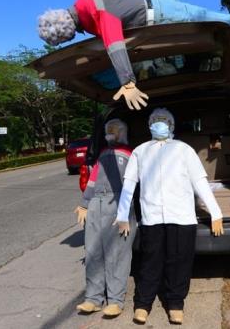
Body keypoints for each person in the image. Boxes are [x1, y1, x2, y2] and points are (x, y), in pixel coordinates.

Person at [37, 0, 230, 110]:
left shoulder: (92, 11)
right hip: (154, 6)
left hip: (158, 14)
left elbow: (114, 43)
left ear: (65, 32)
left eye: (64, 39)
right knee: (204, 32)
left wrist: (128, 82)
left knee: (208, 26)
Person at [114, 108, 224, 324]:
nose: (160, 124)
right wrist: (122, 214)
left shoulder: (184, 150)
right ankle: (143, 304)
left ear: (171, 125)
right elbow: (129, 185)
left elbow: (199, 182)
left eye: (164, 121)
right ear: (149, 125)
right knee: (149, 262)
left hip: (181, 215)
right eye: (156, 120)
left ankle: (175, 303)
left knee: (180, 261)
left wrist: (216, 213)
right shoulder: (140, 151)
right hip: (152, 216)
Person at [73, 119, 137, 317]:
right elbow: (92, 180)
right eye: (109, 131)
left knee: (117, 253)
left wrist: (125, 214)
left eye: (115, 131)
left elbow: (130, 185)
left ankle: (116, 300)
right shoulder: (102, 153)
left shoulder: (130, 155)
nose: (111, 134)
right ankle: (93, 298)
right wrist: (85, 204)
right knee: (93, 251)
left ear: (123, 133)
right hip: (96, 203)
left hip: (118, 204)